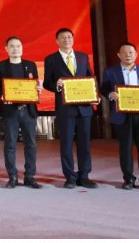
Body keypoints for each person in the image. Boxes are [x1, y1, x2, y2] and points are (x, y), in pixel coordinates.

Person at [100, 42, 139, 192]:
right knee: (125, 148)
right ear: (118, 55)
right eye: (124, 52)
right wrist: (110, 94)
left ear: (136, 54)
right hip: (123, 115)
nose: (128, 55)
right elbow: (104, 88)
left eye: (131, 52)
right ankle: (128, 179)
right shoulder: (110, 72)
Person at [43, 28, 98, 189]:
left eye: (69, 37)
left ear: (73, 39)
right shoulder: (51, 59)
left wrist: (96, 94)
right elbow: (47, 82)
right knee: (66, 144)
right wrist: (56, 85)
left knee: (84, 144)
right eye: (62, 37)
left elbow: (90, 78)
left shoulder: (83, 57)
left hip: (84, 107)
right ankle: (70, 176)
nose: (66, 39)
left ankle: (84, 175)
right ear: (57, 41)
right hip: (65, 108)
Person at [0, 36, 43, 189]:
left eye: (18, 46)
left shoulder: (31, 65)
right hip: (10, 111)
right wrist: (3, 96)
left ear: (22, 48)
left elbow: (35, 84)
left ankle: (30, 176)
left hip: (28, 110)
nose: (15, 49)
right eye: (12, 46)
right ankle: (12, 176)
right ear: (6, 49)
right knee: (10, 145)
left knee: (31, 145)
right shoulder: (0, 66)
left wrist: (38, 89)